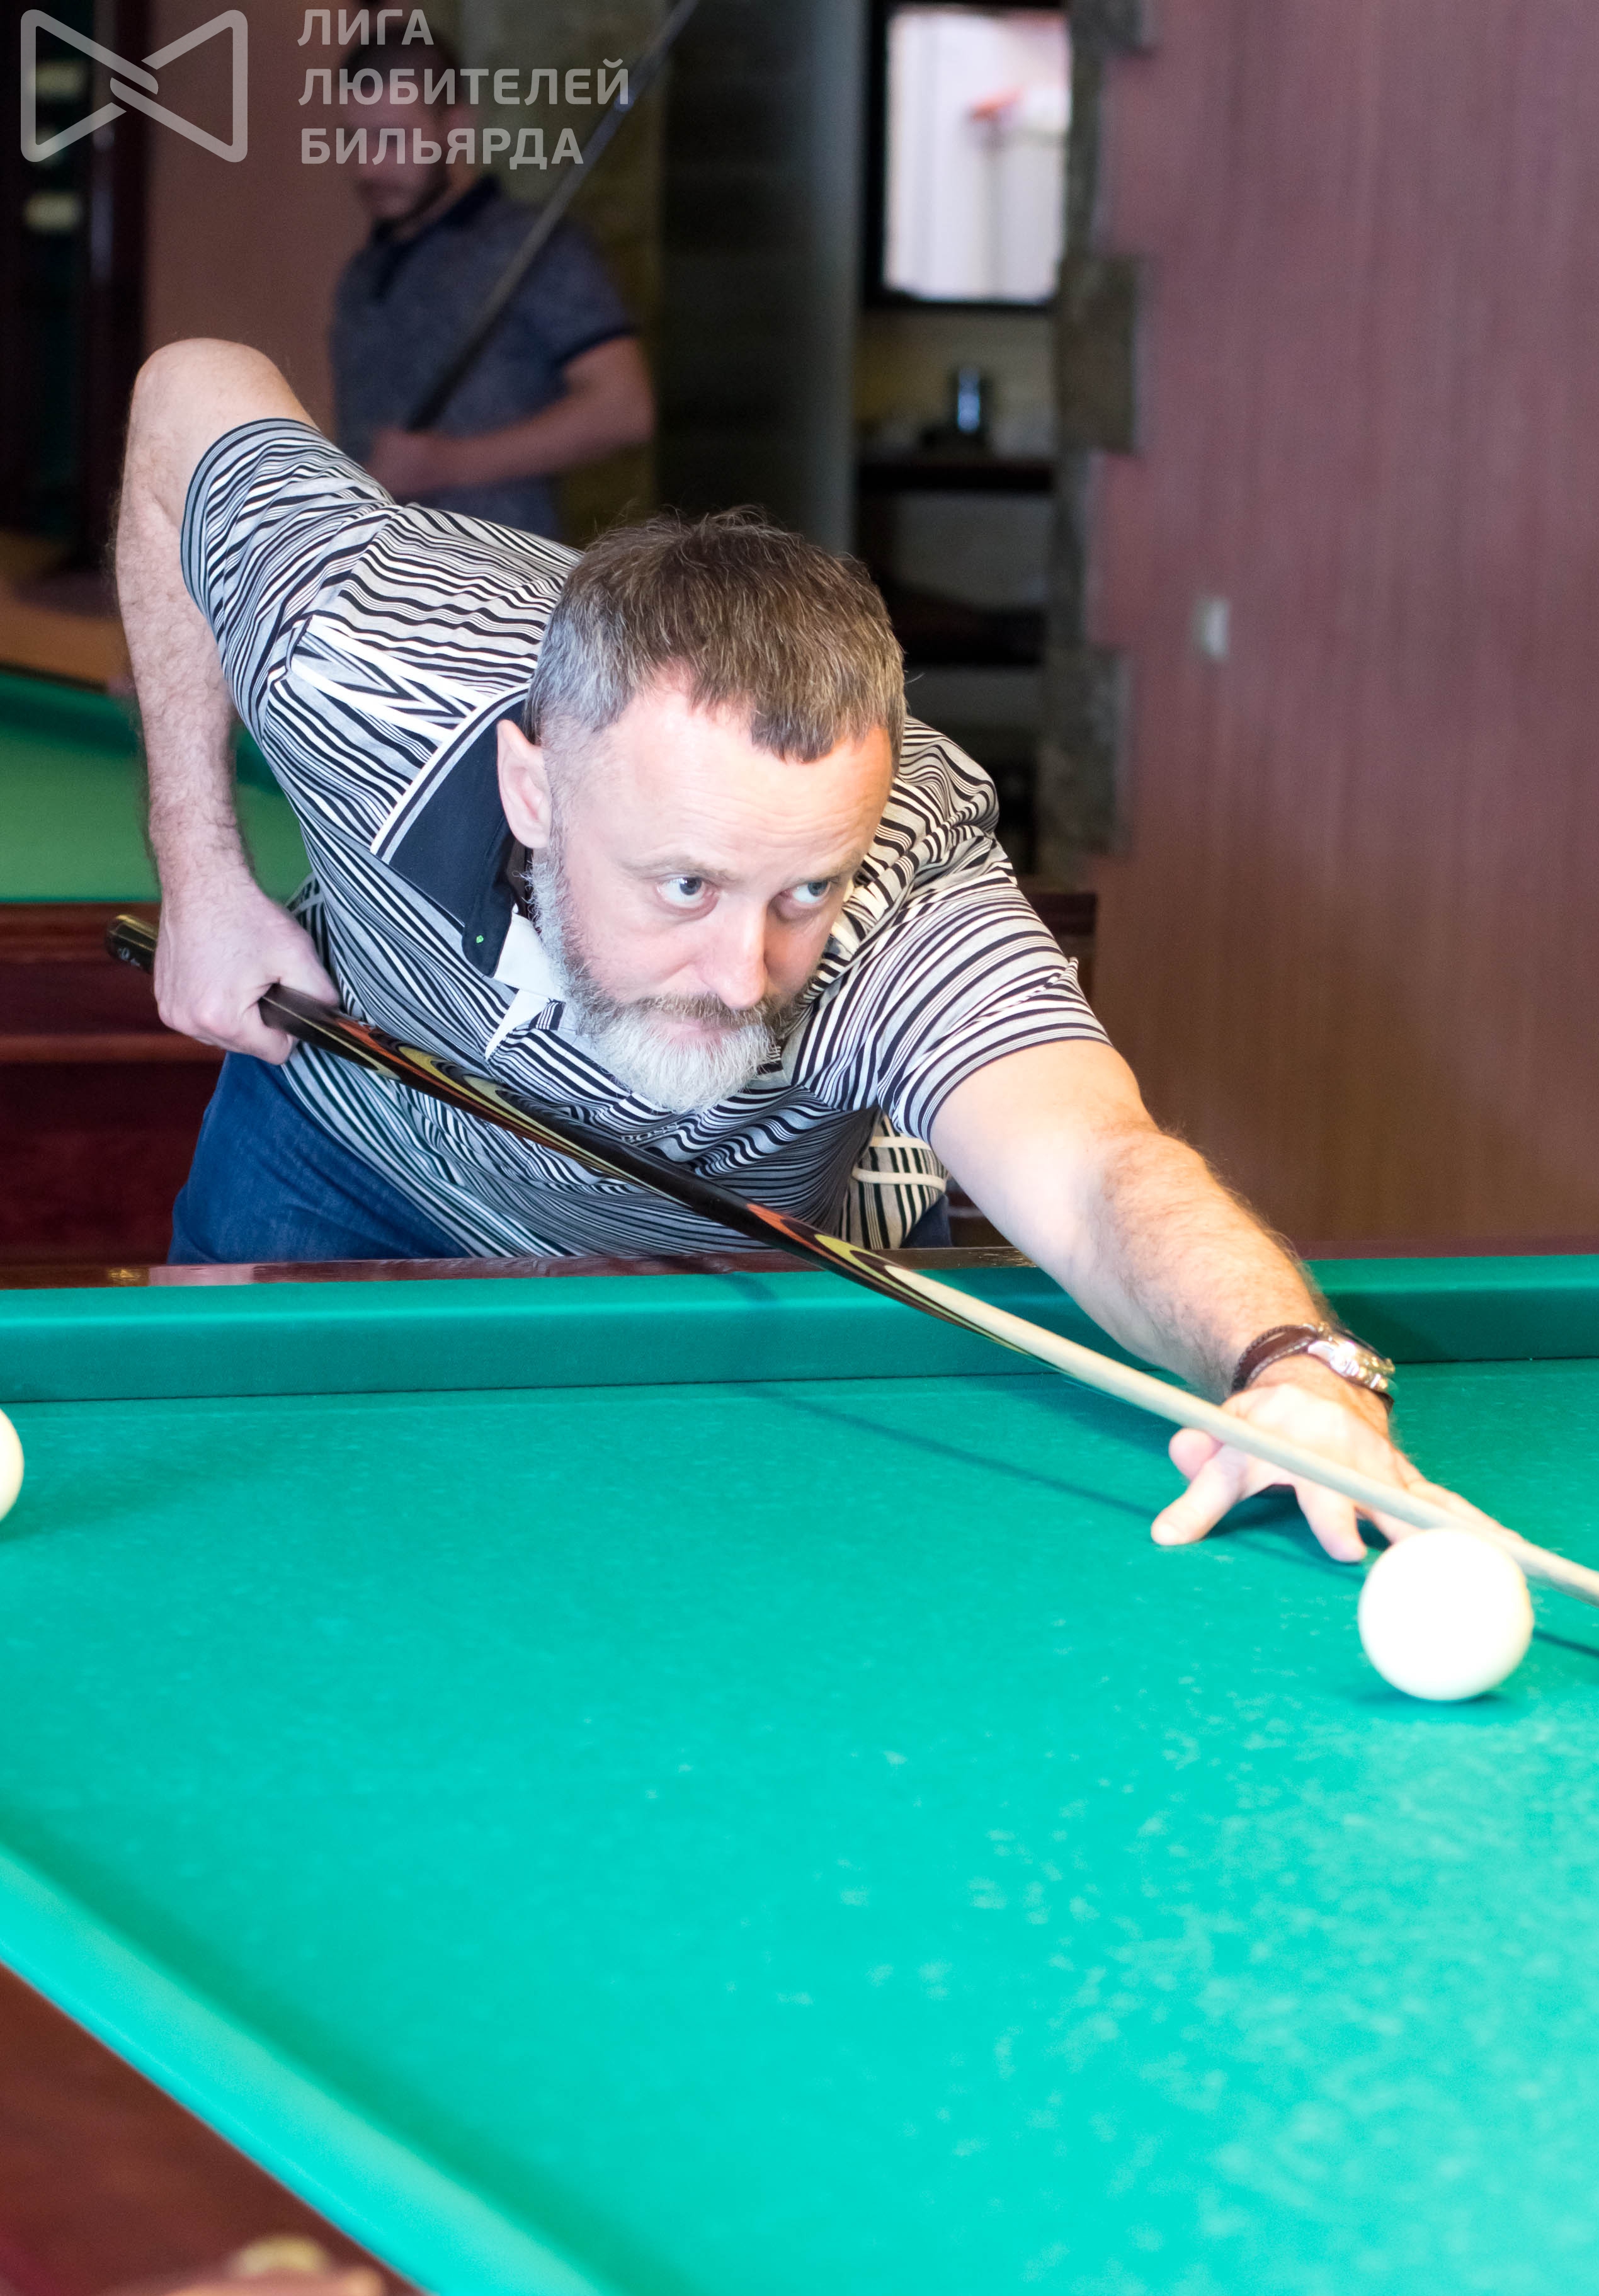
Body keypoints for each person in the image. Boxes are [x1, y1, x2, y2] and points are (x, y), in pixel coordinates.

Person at [116, 337, 1471, 1560]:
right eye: (685, 884)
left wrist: (1292, 1362)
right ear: (533, 791)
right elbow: (187, 391)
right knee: (212, 1568)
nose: (743, 975)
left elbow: (1092, 1168)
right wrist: (200, 865)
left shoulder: (905, 888)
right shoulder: (366, 654)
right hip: (345, 1155)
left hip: (726, 1270)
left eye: (802, 891)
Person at [330, 31, 653, 539]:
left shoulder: (536, 248)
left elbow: (623, 408)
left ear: (456, 127)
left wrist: (450, 462)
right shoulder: (361, 272)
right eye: (353, 139)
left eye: (391, 138)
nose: (367, 165)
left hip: (500, 570)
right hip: (379, 569)